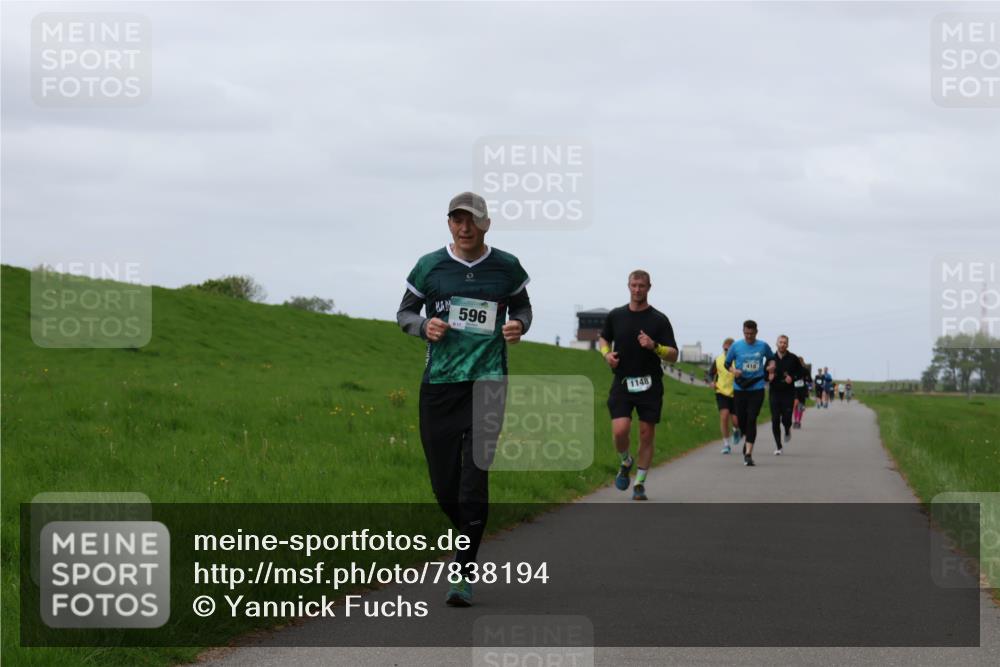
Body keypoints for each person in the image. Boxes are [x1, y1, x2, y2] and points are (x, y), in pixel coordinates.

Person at [396, 191, 532, 607]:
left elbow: (523, 308)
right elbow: (404, 314)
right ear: (449, 223)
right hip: (439, 384)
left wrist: (518, 326)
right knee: (444, 485)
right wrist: (424, 327)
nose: (464, 227)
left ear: (485, 224)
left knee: (473, 479)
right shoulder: (429, 266)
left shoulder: (506, 267)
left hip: (488, 382)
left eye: (471, 220)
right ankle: (469, 532)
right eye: (457, 219)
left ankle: (463, 569)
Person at [597, 270, 678, 500]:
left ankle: (640, 484)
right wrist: (606, 355)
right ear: (628, 286)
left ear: (649, 287)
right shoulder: (616, 315)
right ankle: (626, 461)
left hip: (650, 385)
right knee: (620, 431)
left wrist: (655, 346)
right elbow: (603, 338)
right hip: (622, 382)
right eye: (634, 285)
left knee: (646, 434)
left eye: (641, 285)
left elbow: (674, 355)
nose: (637, 289)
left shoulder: (659, 320)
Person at [724, 320, 776, 466]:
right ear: (743, 332)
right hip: (740, 387)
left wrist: (771, 368)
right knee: (741, 420)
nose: (749, 336)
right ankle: (746, 439)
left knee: (752, 418)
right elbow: (727, 364)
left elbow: (771, 359)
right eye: (746, 333)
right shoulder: (736, 346)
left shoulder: (763, 346)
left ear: (756, 332)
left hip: (757, 387)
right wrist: (735, 371)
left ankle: (748, 453)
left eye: (751, 334)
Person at [768, 336, 805, 455]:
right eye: (780, 342)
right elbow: (764, 373)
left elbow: (801, 372)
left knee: (786, 419)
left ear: (787, 345)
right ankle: (779, 446)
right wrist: (769, 376)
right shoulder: (771, 359)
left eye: (785, 343)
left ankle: (787, 429)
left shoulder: (793, 358)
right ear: (776, 343)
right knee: (774, 420)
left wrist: (793, 378)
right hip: (774, 393)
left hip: (788, 393)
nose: (782, 344)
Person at [708, 337, 741, 454]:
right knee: (724, 416)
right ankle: (726, 444)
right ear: (723, 347)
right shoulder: (718, 360)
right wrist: (711, 382)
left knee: (736, 421)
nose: (727, 350)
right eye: (725, 348)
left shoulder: (738, 359)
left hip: (736, 393)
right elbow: (710, 374)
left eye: (729, 349)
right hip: (721, 392)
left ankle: (736, 430)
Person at [793, 358, 810, 429]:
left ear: (802, 362)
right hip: (794, 389)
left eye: (800, 362)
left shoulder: (805, 370)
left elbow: (810, 380)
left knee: (800, 407)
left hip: (802, 390)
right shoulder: (793, 370)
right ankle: (796, 420)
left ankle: (798, 421)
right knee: (795, 405)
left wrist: (805, 379)